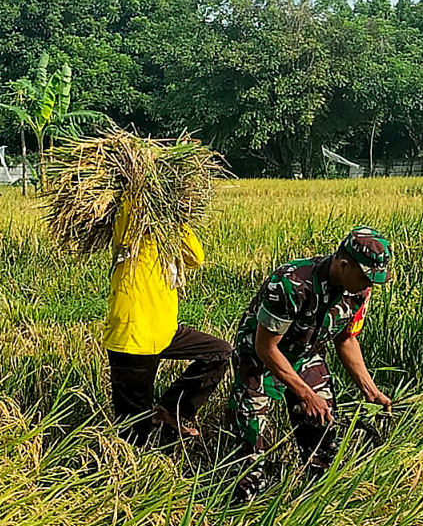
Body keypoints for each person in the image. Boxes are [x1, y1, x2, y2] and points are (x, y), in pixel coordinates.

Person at [227, 227, 394, 502]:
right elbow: (265, 347)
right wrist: (306, 394)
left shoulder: (359, 291)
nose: (370, 286)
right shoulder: (291, 283)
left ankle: (318, 501)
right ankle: (244, 508)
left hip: (307, 354)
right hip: (260, 359)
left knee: (323, 429)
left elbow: (346, 339)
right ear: (343, 265)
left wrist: (370, 389)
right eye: (366, 277)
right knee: (250, 442)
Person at [104, 205, 231, 446]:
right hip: (133, 336)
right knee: (134, 434)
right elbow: (125, 228)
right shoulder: (131, 237)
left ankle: (170, 410)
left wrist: (175, 218)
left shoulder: (169, 238)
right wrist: (140, 188)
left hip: (165, 331)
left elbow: (196, 257)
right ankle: (128, 474)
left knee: (219, 352)